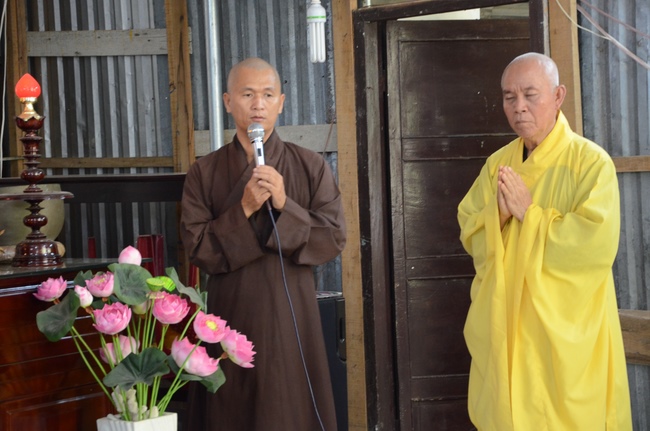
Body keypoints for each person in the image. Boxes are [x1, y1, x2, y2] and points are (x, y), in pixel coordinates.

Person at [457, 52, 632, 430]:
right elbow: (470, 229)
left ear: (558, 96)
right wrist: (498, 215)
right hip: (508, 325)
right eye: (509, 97)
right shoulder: (498, 165)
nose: (518, 107)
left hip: (564, 336)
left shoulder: (590, 163)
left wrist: (529, 213)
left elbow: (594, 246)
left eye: (530, 95)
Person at [180, 57, 346, 431]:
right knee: (232, 408)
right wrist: (244, 208)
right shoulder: (204, 172)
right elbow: (198, 248)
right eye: (247, 94)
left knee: (288, 407)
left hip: (292, 318)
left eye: (268, 95)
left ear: (281, 103)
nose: (258, 104)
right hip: (231, 314)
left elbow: (333, 236)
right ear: (228, 101)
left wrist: (286, 205)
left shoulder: (310, 166)